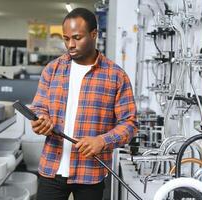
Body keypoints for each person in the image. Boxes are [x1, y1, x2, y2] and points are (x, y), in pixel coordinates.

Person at [30, 7, 138, 200]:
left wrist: (102, 141)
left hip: (90, 173)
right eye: (66, 38)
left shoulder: (116, 76)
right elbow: (39, 108)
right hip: (51, 168)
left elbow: (130, 124)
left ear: (94, 34)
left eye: (77, 38)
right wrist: (41, 120)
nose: (70, 44)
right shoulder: (52, 70)